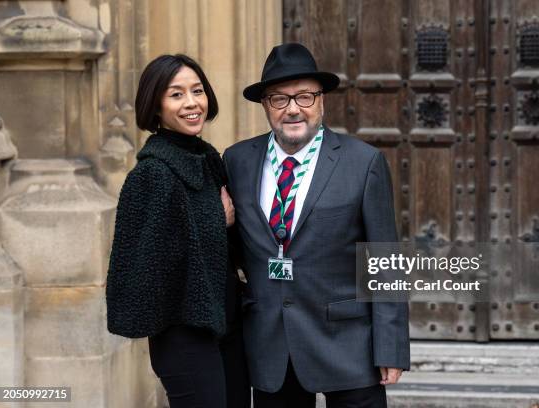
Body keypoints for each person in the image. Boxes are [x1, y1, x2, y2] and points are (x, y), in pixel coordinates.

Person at [223, 43, 410, 408]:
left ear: (322, 101)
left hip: (349, 344)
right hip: (271, 345)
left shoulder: (363, 162)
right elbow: (232, 251)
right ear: (265, 105)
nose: (293, 108)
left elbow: (385, 261)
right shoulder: (237, 160)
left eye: (305, 97)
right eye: (279, 99)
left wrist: (391, 346)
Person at [106, 54, 249, 408]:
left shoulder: (210, 160)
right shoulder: (150, 175)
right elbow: (143, 266)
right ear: (155, 107)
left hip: (227, 324)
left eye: (197, 91)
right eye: (176, 94)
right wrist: (219, 222)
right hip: (184, 337)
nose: (191, 103)